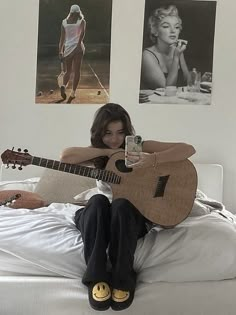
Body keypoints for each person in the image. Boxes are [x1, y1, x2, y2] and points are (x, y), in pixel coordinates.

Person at [60, 103, 196, 311]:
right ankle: (96, 279)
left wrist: (153, 159)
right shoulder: (97, 154)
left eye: (120, 133)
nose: (115, 139)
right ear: (99, 133)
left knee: (122, 205)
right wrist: (106, 152)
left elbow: (188, 149)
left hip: (129, 217)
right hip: (100, 217)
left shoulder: (140, 148)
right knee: (97, 201)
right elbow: (66, 157)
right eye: (108, 133)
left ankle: (123, 279)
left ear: (128, 132)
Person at [141, 5, 190, 90]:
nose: (173, 31)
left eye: (177, 27)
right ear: (155, 31)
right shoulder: (147, 55)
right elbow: (166, 90)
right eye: (166, 26)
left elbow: (189, 83)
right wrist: (176, 57)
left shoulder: (177, 50)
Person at [59, 4, 86, 103]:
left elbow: (62, 38)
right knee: (77, 71)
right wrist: (78, 44)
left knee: (68, 71)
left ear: (70, 12)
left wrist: (60, 51)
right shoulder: (81, 21)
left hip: (68, 49)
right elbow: (82, 33)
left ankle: (63, 86)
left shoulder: (64, 23)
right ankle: (73, 93)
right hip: (78, 48)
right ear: (78, 12)